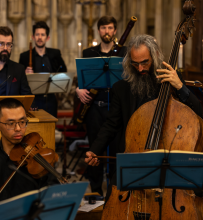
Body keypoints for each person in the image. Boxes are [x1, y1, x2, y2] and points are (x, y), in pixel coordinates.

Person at [84, 34, 203, 201]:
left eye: (144, 62)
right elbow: (111, 125)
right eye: (135, 64)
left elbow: (198, 113)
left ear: (154, 57)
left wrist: (180, 87)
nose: (140, 69)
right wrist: (94, 150)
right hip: (133, 160)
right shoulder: (121, 89)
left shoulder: (170, 81)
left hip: (166, 160)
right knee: (112, 201)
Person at [76, 16, 127, 196]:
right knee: (94, 149)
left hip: (116, 108)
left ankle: (114, 190)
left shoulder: (124, 52)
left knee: (116, 149)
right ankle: (96, 190)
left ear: (115, 30)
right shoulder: (89, 53)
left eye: (110, 28)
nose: (107, 31)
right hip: (95, 109)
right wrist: (78, 90)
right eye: (103, 28)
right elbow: (82, 81)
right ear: (99, 30)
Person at [0, 98, 59, 206]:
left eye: (22, 122)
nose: (18, 128)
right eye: (11, 123)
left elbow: (54, 195)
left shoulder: (37, 158)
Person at [19, 21, 67, 117]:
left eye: (42, 35)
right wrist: (24, 73)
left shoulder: (55, 54)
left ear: (47, 38)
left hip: (51, 99)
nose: (40, 37)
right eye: (37, 34)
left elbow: (63, 71)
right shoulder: (24, 56)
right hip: (33, 101)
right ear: (33, 37)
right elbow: (18, 78)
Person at [0, 26, 32, 96]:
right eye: (1, 44)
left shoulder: (19, 69)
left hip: (9, 106)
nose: (5, 48)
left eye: (8, 44)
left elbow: (27, 95)